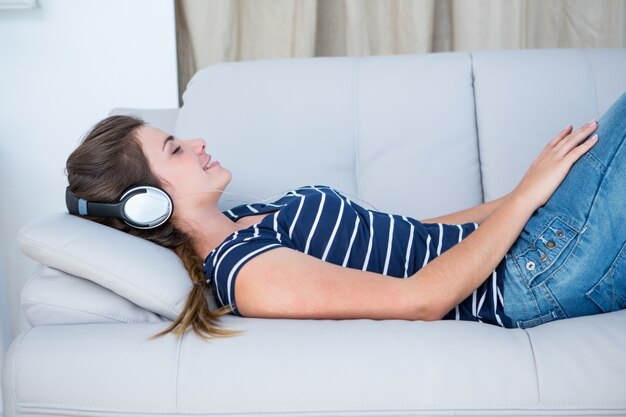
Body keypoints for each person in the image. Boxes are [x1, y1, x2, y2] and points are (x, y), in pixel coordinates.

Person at [65, 92, 626, 340]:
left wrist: (532, 192)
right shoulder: (245, 271)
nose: (197, 141)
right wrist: (529, 198)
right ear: (148, 204)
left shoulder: (249, 218)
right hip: (531, 276)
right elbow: (419, 299)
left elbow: (425, 234)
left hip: (534, 241)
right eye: (175, 150)